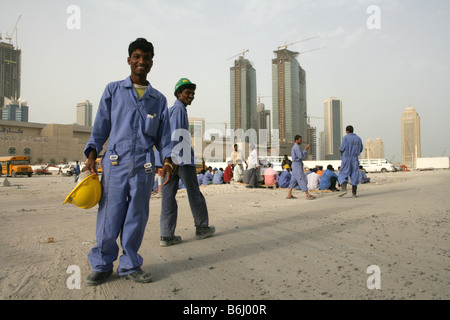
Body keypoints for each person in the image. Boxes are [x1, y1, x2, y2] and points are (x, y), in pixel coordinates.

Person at [83, 38, 174, 286]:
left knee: (137, 216)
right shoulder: (113, 90)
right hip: (115, 162)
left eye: (145, 58)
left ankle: (131, 264)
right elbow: (100, 127)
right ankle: (102, 265)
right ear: (129, 60)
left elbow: (164, 136)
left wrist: (166, 161)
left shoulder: (158, 100)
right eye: (136, 56)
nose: (141, 62)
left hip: (144, 164)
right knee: (109, 215)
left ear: (151, 63)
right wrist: (91, 155)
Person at [160, 78, 215, 247]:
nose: (190, 96)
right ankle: (202, 227)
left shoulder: (170, 110)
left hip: (169, 161)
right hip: (181, 160)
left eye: (192, 94)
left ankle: (167, 235)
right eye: (187, 93)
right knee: (194, 194)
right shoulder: (179, 110)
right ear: (178, 94)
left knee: (168, 198)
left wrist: (168, 160)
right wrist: (175, 158)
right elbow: (177, 134)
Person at [287, 135, 315, 200]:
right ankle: (307, 195)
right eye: (300, 140)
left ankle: (289, 194)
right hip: (297, 165)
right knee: (301, 178)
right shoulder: (296, 147)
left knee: (293, 179)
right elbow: (300, 156)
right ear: (297, 140)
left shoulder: (295, 147)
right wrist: (305, 150)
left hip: (295, 165)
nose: (301, 141)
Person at [338, 125, 364, 197]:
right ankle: (354, 193)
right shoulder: (358, 139)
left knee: (343, 173)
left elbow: (343, 148)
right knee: (355, 174)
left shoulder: (345, 138)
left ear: (346, 131)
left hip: (346, 158)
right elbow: (361, 149)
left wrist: (340, 149)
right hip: (355, 159)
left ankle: (344, 189)